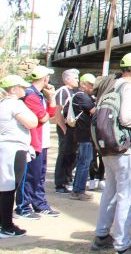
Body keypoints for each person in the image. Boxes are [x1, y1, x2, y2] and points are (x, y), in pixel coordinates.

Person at [92, 52, 131, 254]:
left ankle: (101, 236)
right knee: (128, 196)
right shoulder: (129, 87)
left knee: (110, 192)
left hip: (108, 148)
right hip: (124, 150)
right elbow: (126, 118)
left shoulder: (112, 85)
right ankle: (122, 244)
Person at [15, 65, 59, 219]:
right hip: (34, 141)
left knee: (39, 175)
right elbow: (44, 118)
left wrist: (50, 100)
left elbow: (49, 116)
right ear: (45, 78)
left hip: (42, 140)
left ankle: (39, 204)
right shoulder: (31, 95)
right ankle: (23, 206)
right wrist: (51, 100)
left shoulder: (39, 95)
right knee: (30, 176)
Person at [0, 75, 38, 237]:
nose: (25, 90)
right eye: (21, 87)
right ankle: (7, 226)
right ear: (14, 89)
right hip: (14, 148)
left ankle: (4, 223)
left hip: (6, 148)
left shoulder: (2, 104)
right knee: (10, 187)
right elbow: (32, 122)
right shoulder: (14, 104)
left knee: (5, 186)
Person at [69, 73, 97, 201]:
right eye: (90, 85)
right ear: (83, 84)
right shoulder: (82, 97)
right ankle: (78, 190)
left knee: (84, 162)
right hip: (84, 135)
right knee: (84, 163)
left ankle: (79, 189)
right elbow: (95, 111)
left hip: (85, 135)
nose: (92, 88)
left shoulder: (85, 97)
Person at [53, 68, 79, 194]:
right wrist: (64, 130)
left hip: (73, 129)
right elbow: (58, 114)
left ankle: (68, 179)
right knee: (63, 155)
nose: (77, 80)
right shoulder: (62, 92)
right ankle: (60, 183)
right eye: (75, 78)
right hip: (65, 128)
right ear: (67, 79)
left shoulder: (74, 91)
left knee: (72, 155)